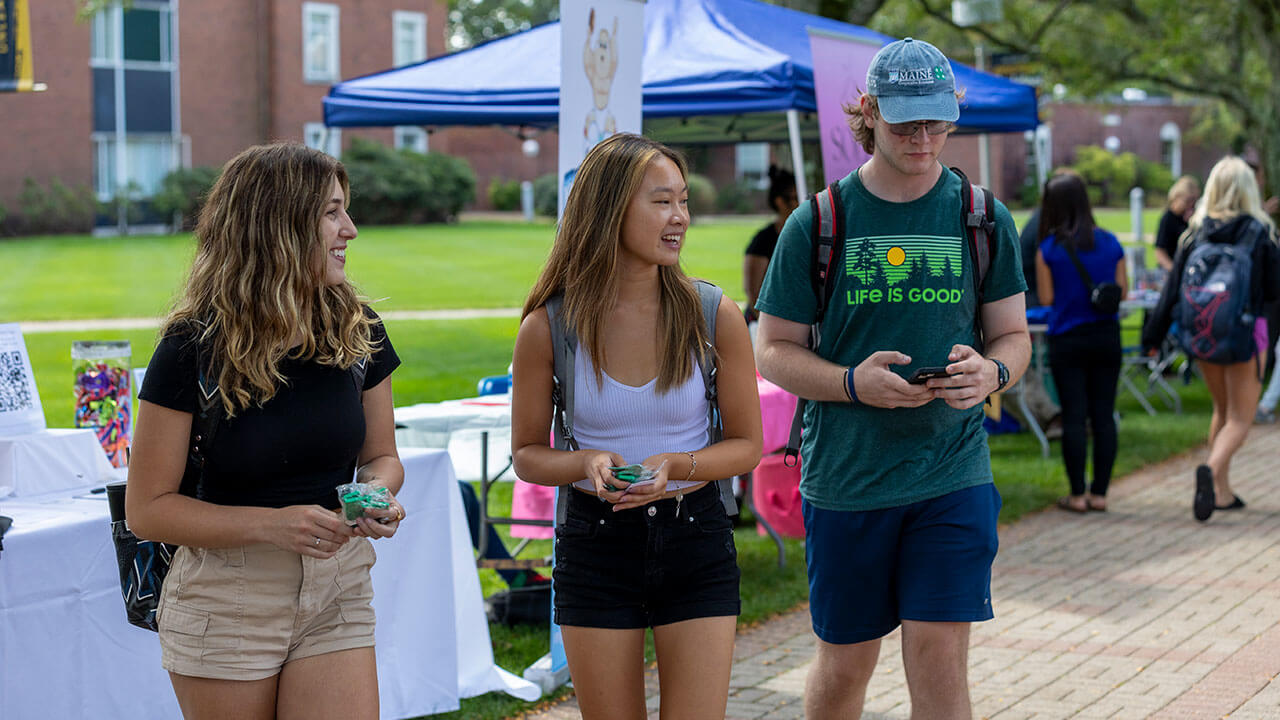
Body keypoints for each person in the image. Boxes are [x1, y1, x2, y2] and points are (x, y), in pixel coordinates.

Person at [754, 38, 1030, 720]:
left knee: (939, 657)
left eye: (938, 121)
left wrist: (990, 372)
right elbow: (773, 349)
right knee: (847, 663)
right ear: (869, 113)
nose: (925, 138)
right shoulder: (819, 222)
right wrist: (853, 382)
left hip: (951, 473)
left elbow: (1014, 336)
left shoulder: (982, 217)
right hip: (848, 480)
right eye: (907, 122)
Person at [125, 143, 405, 720]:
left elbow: (382, 455)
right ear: (276, 224)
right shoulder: (190, 349)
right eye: (331, 212)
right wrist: (275, 526)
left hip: (339, 585)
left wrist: (375, 495)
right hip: (226, 599)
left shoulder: (360, 329)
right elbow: (147, 510)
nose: (350, 229)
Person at [510, 132, 762, 719]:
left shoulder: (712, 312)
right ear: (608, 209)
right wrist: (586, 463)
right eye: (661, 202)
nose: (680, 217)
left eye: (683, 201)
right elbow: (526, 454)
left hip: (695, 536)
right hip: (594, 546)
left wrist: (678, 466)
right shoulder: (548, 328)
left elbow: (748, 445)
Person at [1143, 155, 1280, 521]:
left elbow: (1171, 289)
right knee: (1240, 419)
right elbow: (1274, 293)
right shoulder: (1261, 232)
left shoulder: (1195, 232)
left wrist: (1152, 335)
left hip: (1203, 333)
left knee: (1222, 410)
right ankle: (1210, 469)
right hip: (1247, 335)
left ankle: (1221, 491)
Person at [1034, 171, 1126, 513]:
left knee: (1073, 416)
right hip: (1106, 337)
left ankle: (1076, 495)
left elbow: (1046, 298)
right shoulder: (1111, 243)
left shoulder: (1048, 250)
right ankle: (1100, 493)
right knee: (1104, 415)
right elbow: (1123, 292)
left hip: (1067, 339)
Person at [743, 165, 799, 327]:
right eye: (796, 197)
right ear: (780, 202)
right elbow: (754, 295)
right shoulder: (763, 241)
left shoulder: (808, 236)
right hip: (766, 326)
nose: (802, 202)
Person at [1153, 175, 1201, 272]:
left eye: (1194, 201)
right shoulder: (1168, 219)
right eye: (1187, 201)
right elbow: (1160, 252)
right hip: (1172, 270)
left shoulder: (1194, 217)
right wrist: (1174, 270)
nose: (1191, 205)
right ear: (1177, 197)